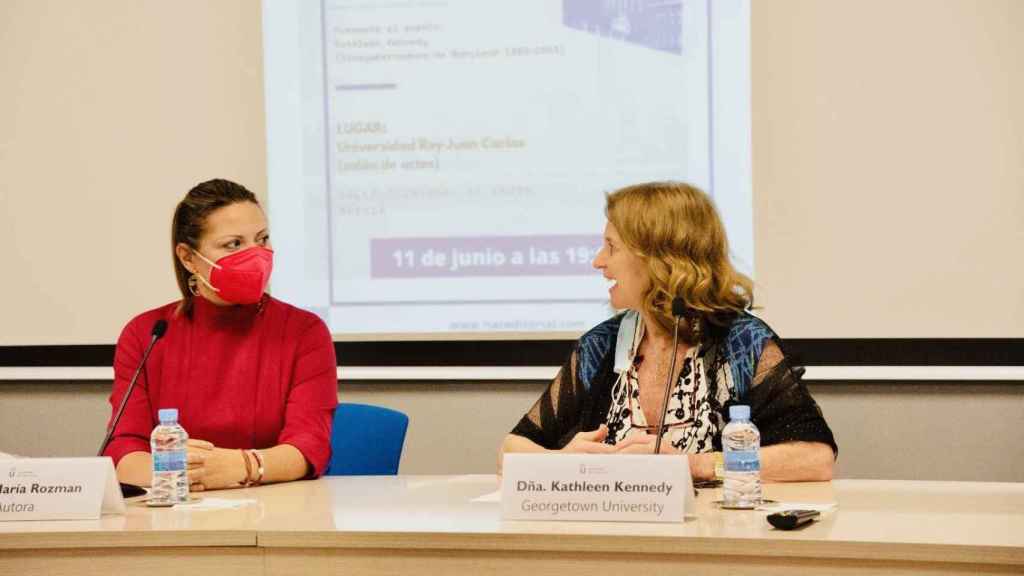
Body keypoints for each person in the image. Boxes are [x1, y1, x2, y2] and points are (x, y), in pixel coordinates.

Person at [502, 182, 836, 481]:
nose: (598, 261)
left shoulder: (740, 342)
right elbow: (512, 449)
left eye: (611, 247)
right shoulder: (601, 345)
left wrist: (694, 466)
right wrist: (561, 461)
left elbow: (815, 458)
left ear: (659, 259)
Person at [103, 179, 338, 491]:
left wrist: (241, 466)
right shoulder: (146, 334)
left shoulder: (304, 331)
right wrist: (186, 472)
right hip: (174, 513)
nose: (257, 255)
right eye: (234, 244)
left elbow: (309, 446)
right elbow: (124, 449)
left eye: (262, 239)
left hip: (274, 512)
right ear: (188, 257)